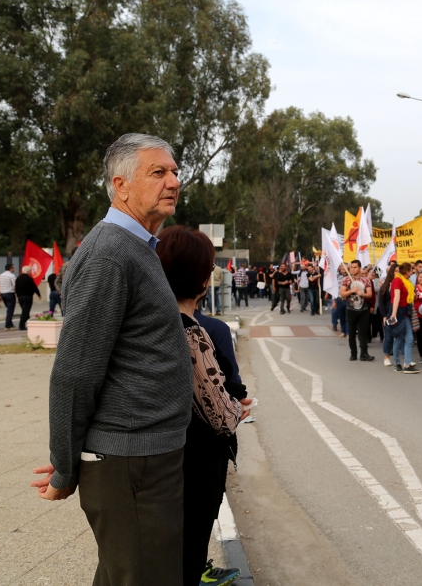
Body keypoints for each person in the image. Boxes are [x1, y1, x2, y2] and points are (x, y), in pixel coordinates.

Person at [30, 133, 195, 585]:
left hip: (146, 458)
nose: (173, 181)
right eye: (158, 172)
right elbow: (74, 374)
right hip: (130, 464)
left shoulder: (137, 249)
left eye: (175, 171)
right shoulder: (109, 254)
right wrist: (65, 464)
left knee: (131, 574)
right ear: (120, 186)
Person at [155, 225, 251, 586]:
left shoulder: (141, 326)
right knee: (190, 547)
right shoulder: (199, 332)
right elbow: (225, 411)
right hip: (197, 460)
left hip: (152, 459)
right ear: (202, 280)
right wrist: (239, 406)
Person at [341, 260, 374, 361]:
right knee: (351, 332)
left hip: (363, 309)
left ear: (360, 268)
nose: (352, 269)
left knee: (363, 332)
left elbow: (370, 294)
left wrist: (362, 294)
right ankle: (353, 353)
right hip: (351, 309)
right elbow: (342, 293)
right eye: (351, 267)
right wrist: (351, 291)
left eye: (355, 267)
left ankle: (364, 353)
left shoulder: (366, 280)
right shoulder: (346, 280)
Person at [389, 262, 418, 373]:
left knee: (407, 338)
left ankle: (406, 364)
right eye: (412, 269)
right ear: (407, 271)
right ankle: (398, 363)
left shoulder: (407, 281)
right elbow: (396, 298)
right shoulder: (397, 280)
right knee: (398, 338)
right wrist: (394, 314)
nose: (413, 271)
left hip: (405, 312)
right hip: (397, 312)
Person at [15, 265, 41, 331]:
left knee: (25, 311)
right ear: (27, 271)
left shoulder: (18, 278)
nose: (31, 272)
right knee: (25, 312)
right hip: (27, 297)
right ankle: (21, 325)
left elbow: (16, 288)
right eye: (30, 271)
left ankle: (28, 322)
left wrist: (17, 296)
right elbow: (34, 287)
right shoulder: (29, 279)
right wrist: (38, 294)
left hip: (20, 297)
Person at [0, 263, 17, 330]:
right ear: (10, 268)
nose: (14, 269)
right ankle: (7, 325)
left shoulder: (1, 275)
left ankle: (10, 324)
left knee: (9, 309)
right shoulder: (12, 275)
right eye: (13, 268)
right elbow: (15, 285)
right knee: (10, 310)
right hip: (10, 293)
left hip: (3, 294)